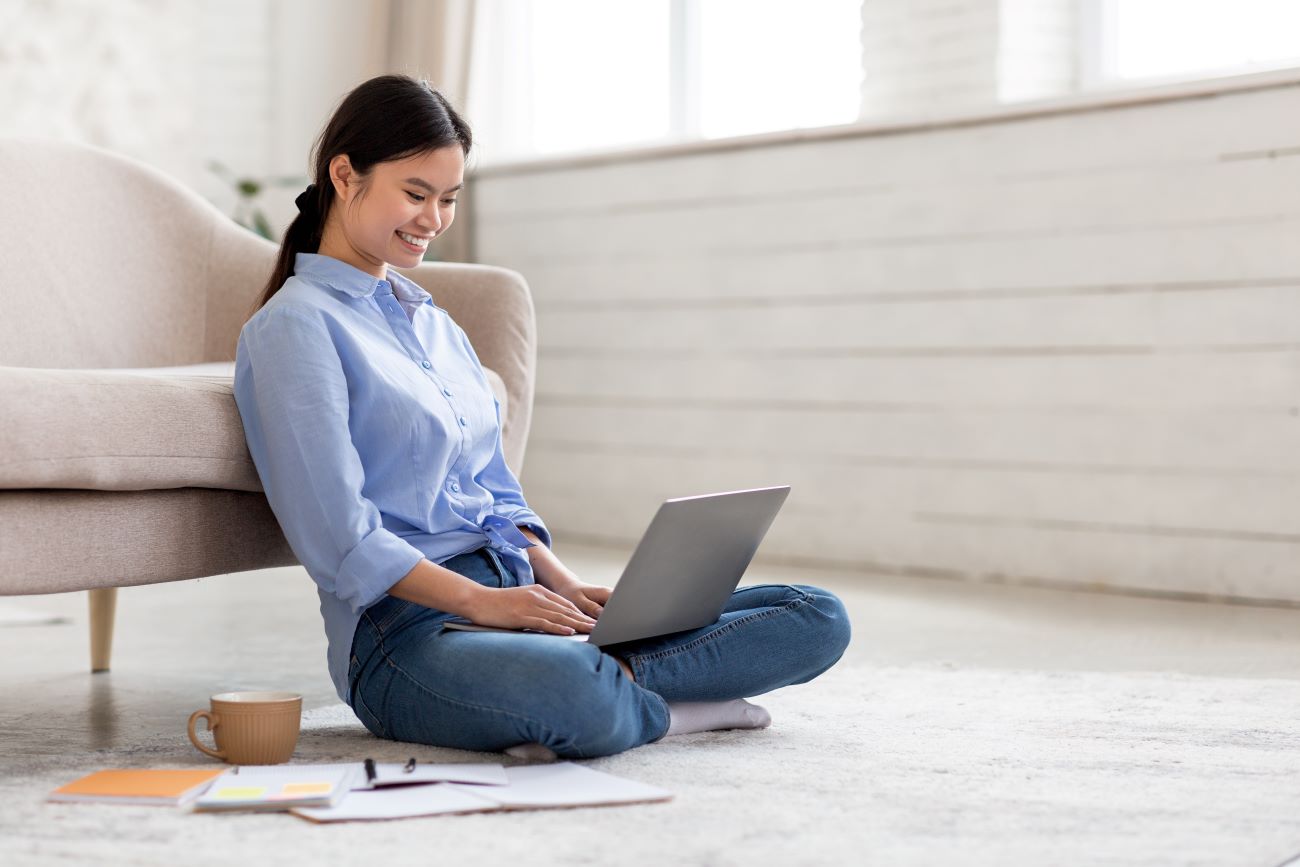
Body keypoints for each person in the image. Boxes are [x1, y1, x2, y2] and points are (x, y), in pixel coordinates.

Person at [233, 74, 852, 760]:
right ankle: (661, 706)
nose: (434, 220)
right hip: (408, 639)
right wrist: (482, 603)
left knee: (815, 615)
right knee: (576, 691)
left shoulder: (433, 322)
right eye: (415, 194)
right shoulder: (294, 328)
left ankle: (612, 680)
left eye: (447, 199)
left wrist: (560, 584)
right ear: (344, 176)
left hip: (525, 606)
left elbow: (494, 489)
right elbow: (341, 540)